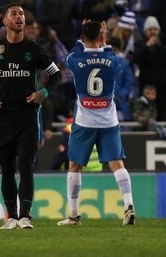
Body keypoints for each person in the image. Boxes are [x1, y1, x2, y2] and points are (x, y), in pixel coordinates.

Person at [0, 2, 61, 230]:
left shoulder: (34, 49)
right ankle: (10, 217)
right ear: (5, 21)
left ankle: (25, 216)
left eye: (22, 14)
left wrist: (43, 92)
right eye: (14, 14)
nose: (19, 17)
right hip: (2, 117)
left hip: (28, 117)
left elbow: (56, 75)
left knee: (25, 166)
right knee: (7, 168)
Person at [57, 20, 135, 226]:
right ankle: (128, 206)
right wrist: (105, 38)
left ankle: (73, 216)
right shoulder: (114, 58)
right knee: (117, 163)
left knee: (75, 165)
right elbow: (111, 55)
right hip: (109, 121)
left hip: (84, 122)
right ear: (101, 36)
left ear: (82, 37)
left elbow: (72, 53)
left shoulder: (75, 58)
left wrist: (86, 35)